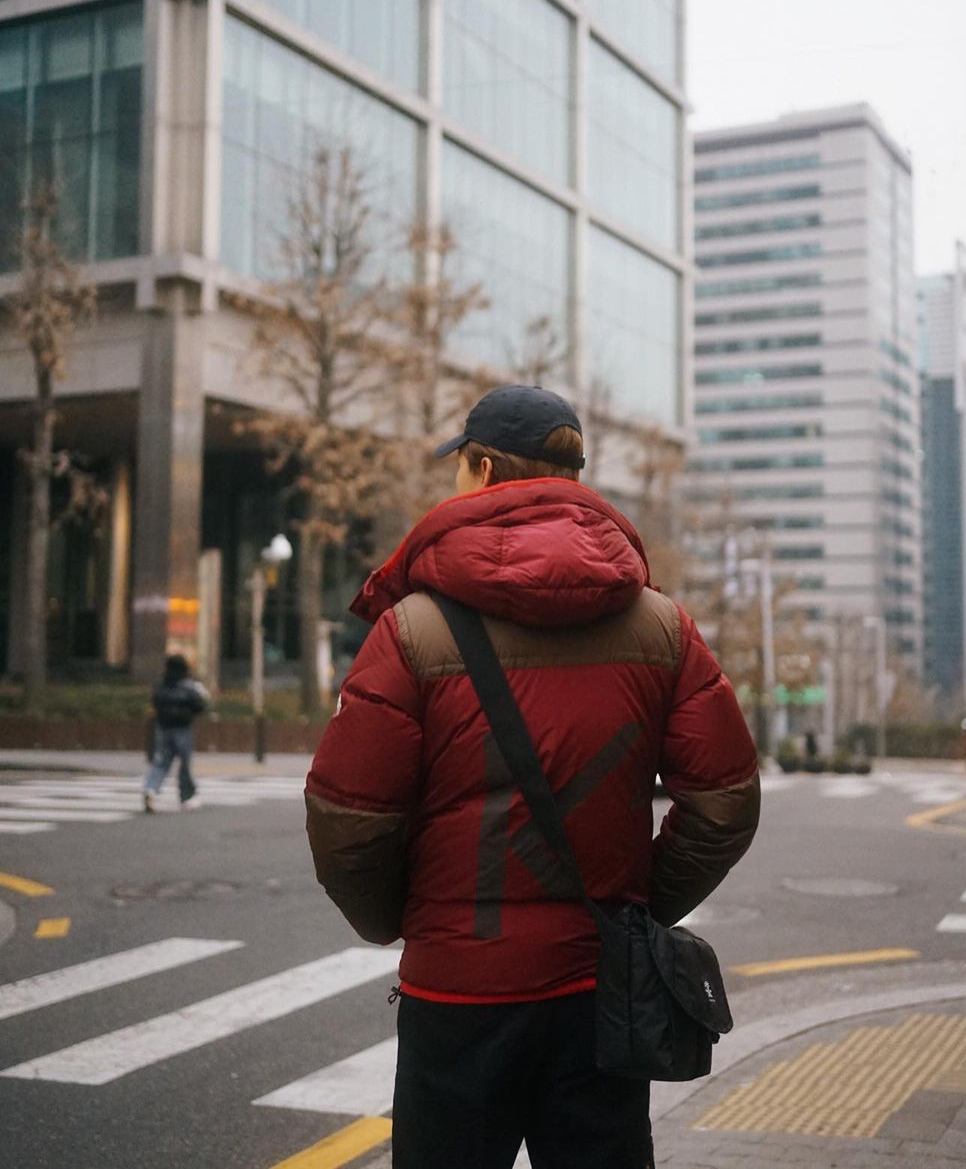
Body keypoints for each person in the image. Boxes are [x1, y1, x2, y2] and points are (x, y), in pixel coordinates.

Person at [305, 384, 760, 1169]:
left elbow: (349, 816)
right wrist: (636, 910)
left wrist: (401, 920)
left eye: (461, 466)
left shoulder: (412, 629)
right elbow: (723, 802)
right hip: (599, 995)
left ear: (480, 469)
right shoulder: (662, 626)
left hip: (458, 993)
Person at [143, 654, 209, 812]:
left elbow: (155, 702)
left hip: (164, 728)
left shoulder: (161, 685)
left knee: (161, 761)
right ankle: (187, 796)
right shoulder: (188, 686)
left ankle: (151, 789)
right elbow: (199, 705)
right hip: (183, 728)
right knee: (185, 764)